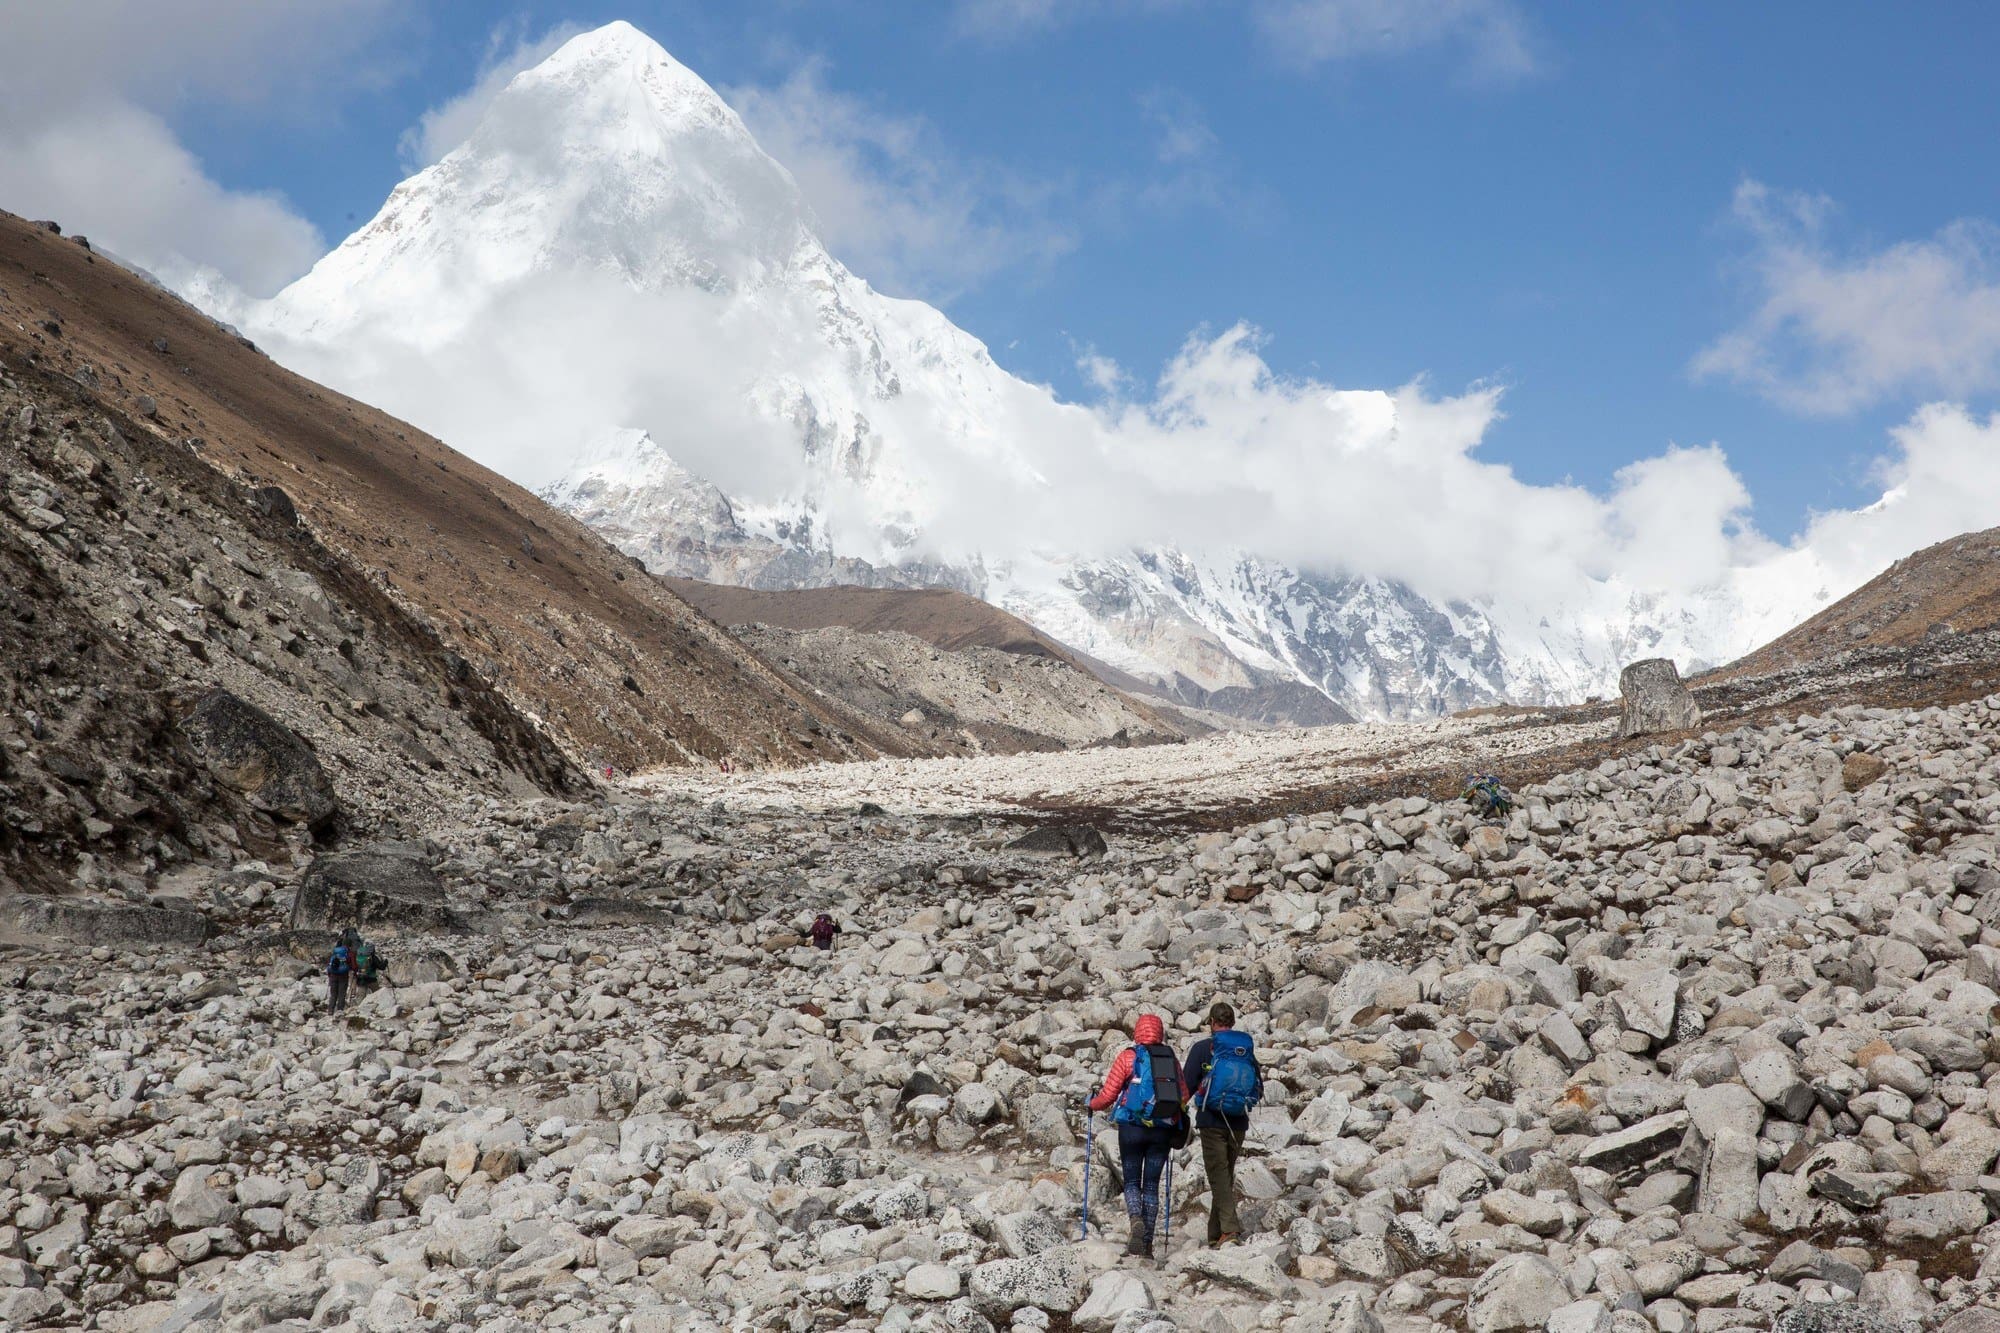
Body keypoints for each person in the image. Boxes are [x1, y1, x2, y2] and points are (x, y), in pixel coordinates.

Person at [1088, 1013, 1188, 1259]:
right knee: (1152, 1186)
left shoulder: (1128, 1057)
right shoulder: (1171, 1060)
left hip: (1131, 1130)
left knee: (1132, 1182)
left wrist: (1090, 1103)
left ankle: (1135, 1220)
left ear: (1137, 1033)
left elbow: (1109, 1095)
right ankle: (1148, 1246)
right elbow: (1183, 1096)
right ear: (1160, 1033)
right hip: (1162, 1132)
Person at [1185, 1001, 1265, 1247]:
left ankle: (1230, 1230)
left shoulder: (1201, 1049)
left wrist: (1171, 1114)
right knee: (1224, 1175)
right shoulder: (1244, 1050)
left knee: (1218, 1176)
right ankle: (1215, 1235)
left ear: (1211, 1022)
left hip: (1211, 1121)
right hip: (1238, 1121)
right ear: (1232, 1022)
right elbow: (1258, 1088)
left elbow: (1185, 1086)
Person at [326, 936, 354, 1014]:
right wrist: (353, 970)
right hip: (343, 976)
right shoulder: (349, 953)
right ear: (350, 944)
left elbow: (329, 964)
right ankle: (339, 1011)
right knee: (342, 993)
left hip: (333, 975)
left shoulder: (335, 952)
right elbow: (353, 965)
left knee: (333, 994)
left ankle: (330, 1010)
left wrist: (329, 975)